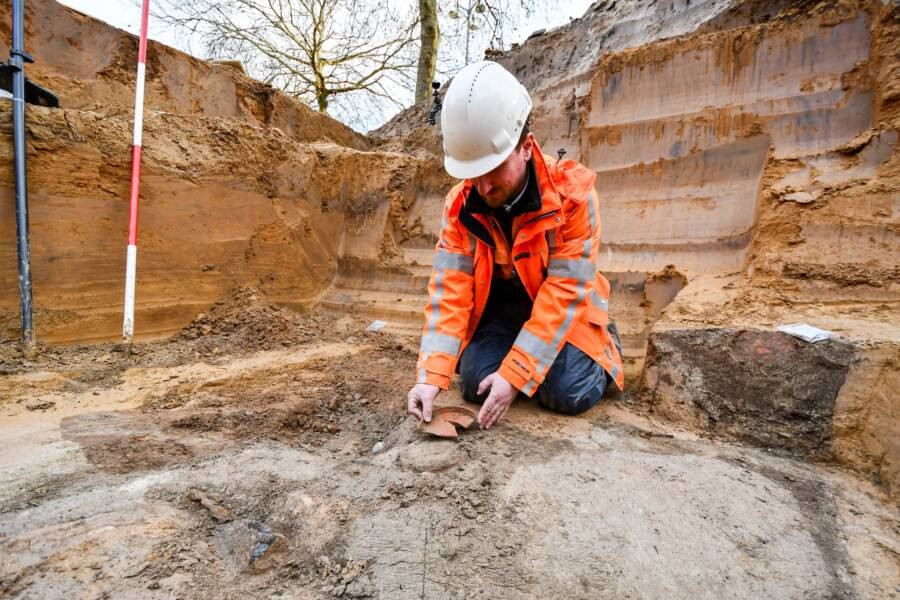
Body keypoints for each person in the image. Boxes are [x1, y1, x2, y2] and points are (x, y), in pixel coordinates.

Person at [406, 60, 623, 430]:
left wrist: (518, 373)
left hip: (562, 309)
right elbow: (450, 293)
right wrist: (431, 375)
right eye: (474, 174)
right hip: (502, 316)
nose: (484, 187)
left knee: (568, 393)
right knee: (476, 383)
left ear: (526, 147)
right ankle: (524, 361)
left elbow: (565, 290)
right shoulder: (459, 206)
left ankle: (600, 346)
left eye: (494, 170)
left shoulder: (573, 197)